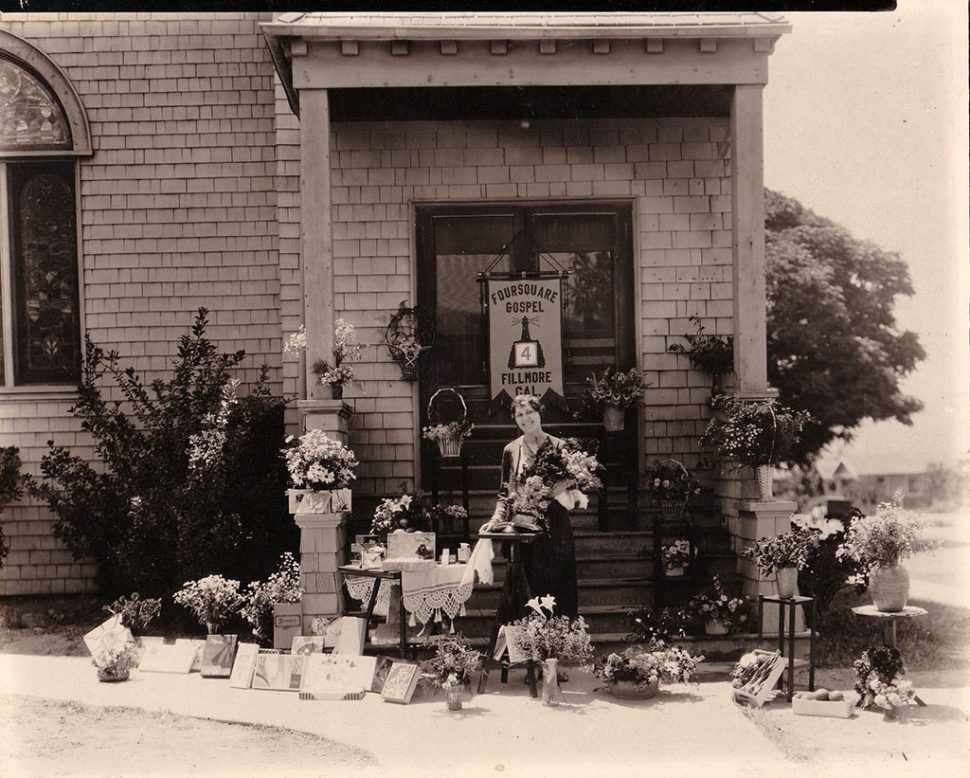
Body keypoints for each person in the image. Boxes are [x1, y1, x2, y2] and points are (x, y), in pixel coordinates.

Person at [479, 394, 579, 619]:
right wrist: (495, 520)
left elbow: (574, 488)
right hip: (523, 534)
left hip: (555, 531)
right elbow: (505, 494)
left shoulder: (559, 446)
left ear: (540, 413)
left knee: (557, 594)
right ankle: (526, 648)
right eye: (519, 415)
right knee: (526, 597)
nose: (525, 419)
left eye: (529, 413)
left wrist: (561, 487)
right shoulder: (511, 451)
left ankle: (557, 647)